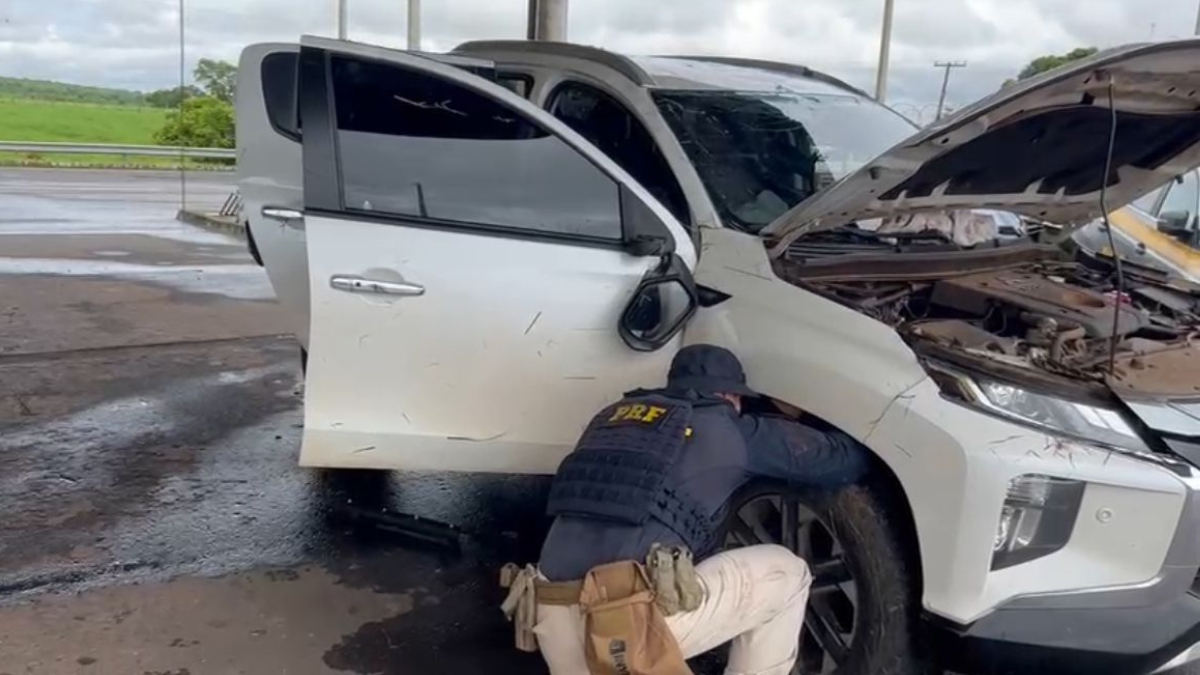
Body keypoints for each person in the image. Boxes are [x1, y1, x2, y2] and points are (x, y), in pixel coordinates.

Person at [509, 344, 868, 675]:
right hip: (622, 627)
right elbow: (842, 460)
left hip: (550, 620)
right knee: (786, 575)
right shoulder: (728, 430)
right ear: (729, 396)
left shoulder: (611, 418)